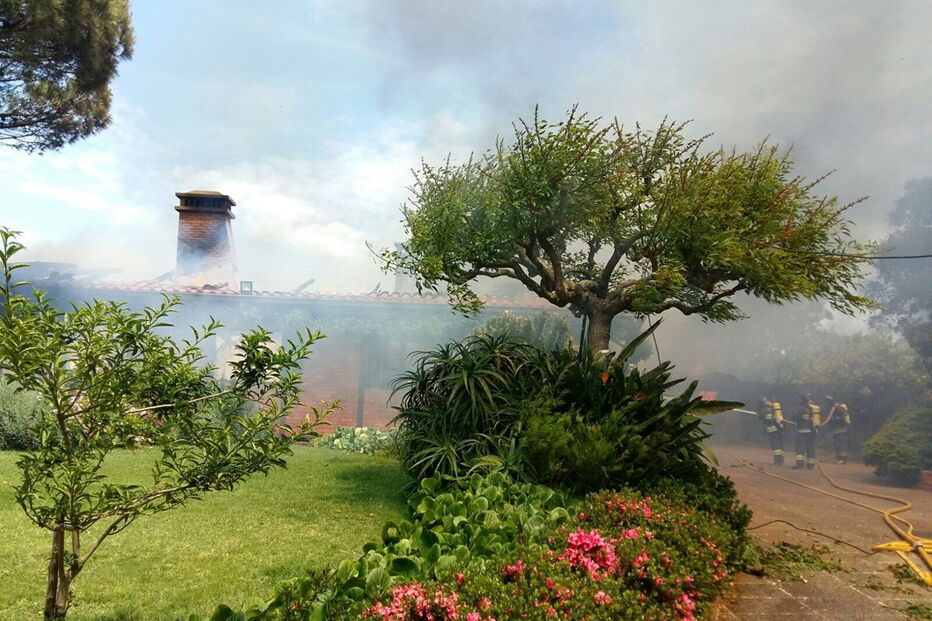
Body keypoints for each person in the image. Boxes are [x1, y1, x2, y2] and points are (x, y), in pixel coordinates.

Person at [792, 394, 821, 469]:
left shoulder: (801, 408)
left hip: (803, 430)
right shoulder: (813, 408)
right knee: (811, 447)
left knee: (800, 447)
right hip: (813, 431)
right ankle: (810, 465)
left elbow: (794, 416)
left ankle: (800, 464)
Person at [821, 396, 851, 464]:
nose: (827, 403)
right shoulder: (833, 409)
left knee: (840, 444)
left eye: (828, 401)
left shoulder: (837, 408)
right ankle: (839, 459)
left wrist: (834, 421)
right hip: (836, 429)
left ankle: (842, 460)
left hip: (841, 429)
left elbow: (844, 415)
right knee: (837, 444)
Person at [756, 397, 785, 465]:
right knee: (779, 444)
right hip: (779, 428)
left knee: (775, 445)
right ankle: (781, 460)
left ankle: (778, 461)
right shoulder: (772, 408)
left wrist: (758, 414)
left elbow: (762, 419)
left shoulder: (764, 410)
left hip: (772, 430)